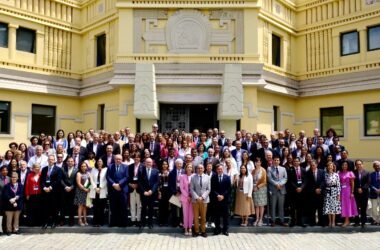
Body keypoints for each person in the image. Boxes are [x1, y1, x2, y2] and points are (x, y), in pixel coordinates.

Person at [106, 154, 129, 227]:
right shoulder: (110, 166)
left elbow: (126, 177)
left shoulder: (125, 167)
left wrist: (119, 184)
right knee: (113, 207)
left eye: (119, 159)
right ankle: (113, 222)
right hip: (113, 190)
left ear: (121, 159)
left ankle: (123, 223)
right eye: (116, 159)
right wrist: (113, 184)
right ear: (114, 159)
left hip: (122, 189)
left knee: (123, 207)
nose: (118, 160)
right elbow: (108, 177)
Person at [40, 155, 62, 229]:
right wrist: (44, 187)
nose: (50, 161)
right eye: (49, 159)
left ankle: (54, 222)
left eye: (52, 160)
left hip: (54, 191)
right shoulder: (44, 169)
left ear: (54, 161)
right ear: (47, 160)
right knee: (45, 207)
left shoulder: (58, 169)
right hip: (45, 191)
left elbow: (58, 180)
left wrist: (50, 187)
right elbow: (42, 180)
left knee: (54, 208)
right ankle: (45, 222)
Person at [138, 158, 159, 229]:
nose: (148, 164)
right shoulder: (141, 170)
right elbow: (139, 182)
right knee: (143, 208)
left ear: (152, 163)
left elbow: (157, 182)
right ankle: (142, 223)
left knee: (151, 209)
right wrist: (144, 191)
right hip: (144, 193)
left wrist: (152, 191)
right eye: (147, 162)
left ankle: (150, 223)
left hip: (152, 193)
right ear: (145, 163)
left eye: (150, 162)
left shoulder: (156, 171)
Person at [190, 164, 211, 237]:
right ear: (196, 169)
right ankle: (196, 231)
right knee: (195, 217)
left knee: (203, 216)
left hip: (204, 200)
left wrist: (202, 197)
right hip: (195, 200)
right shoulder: (193, 177)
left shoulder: (208, 177)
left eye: (201, 168)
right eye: (198, 168)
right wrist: (197, 197)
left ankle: (203, 231)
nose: (200, 169)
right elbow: (191, 189)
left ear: (204, 169)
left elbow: (208, 189)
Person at [267, 156, 288, 227]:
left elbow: (285, 178)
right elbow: (269, 178)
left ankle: (281, 221)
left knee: (281, 206)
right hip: (273, 190)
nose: (276, 161)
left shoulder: (283, 168)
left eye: (277, 160)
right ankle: (273, 221)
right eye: (275, 160)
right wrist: (276, 184)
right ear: (273, 161)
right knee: (273, 206)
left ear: (279, 161)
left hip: (281, 190)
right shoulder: (269, 169)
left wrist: (280, 184)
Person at [211, 164, 231, 236]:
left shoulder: (227, 177)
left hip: (225, 200)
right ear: (216, 170)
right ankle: (217, 229)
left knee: (226, 216)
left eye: (221, 169)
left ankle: (225, 230)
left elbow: (229, 189)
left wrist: (222, 196)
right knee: (217, 216)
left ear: (223, 169)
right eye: (218, 169)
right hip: (216, 200)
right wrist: (218, 195)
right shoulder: (213, 177)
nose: (220, 170)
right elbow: (212, 189)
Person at [305, 160, 326, 227]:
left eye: (313, 165)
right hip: (312, 193)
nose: (312, 167)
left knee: (320, 208)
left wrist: (320, 188)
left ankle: (321, 222)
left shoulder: (322, 171)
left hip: (320, 193)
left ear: (316, 165)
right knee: (312, 209)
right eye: (311, 165)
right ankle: (312, 222)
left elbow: (324, 181)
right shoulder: (308, 173)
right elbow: (307, 183)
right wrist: (314, 190)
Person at [287, 157, 307, 227]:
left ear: (299, 162)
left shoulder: (303, 170)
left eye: (297, 161)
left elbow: (305, 180)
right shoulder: (290, 170)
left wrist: (301, 187)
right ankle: (292, 222)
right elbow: (290, 181)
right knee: (293, 207)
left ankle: (300, 222)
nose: (296, 162)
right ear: (293, 162)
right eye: (294, 161)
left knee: (300, 207)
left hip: (301, 192)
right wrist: (296, 188)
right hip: (293, 191)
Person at [89, 158, 108, 227]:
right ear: (96, 162)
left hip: (102, 190)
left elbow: (106, 179)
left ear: (103, 162)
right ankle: (95, 222)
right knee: (95, 207)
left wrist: (100, 187)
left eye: (101, 161)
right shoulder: (93, 169)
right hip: (94, 190)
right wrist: (95, 187)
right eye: (98, 161)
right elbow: (91, 179)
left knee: (101, 207)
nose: (99, 162)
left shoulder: (106, 169)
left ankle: (101, 222)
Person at [338, 161, 358, 227]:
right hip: (341, 190)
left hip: (348, 190)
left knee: (347, 206)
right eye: (343, 165)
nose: (344, 166)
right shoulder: (339, 173)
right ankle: (346, 221)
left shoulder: (350, 173)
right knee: (342, 205)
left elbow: (352, 183)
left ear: (348, 166)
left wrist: (352, 192)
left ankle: (347, 221)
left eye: (345, 165)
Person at [60, 157, 77, 226]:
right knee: (62, 206)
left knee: (72, 206)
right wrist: (65, 187)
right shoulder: (62, 169)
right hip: (64, 190)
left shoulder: (77, 170)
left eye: (71, 161)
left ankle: (71, 221)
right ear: (66, 162)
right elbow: (60, 179)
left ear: (74, 162)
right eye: (69, 161)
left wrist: (72, 187)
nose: (70, 162)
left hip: (73, 191)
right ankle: (62, 220)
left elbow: (77, 181)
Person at [323, 162, 341, 228]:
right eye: (329, 166)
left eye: (331, 166)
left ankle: (333, 222)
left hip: (334, 192)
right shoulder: (325, 175)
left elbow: (338, 185)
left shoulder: (336, 175)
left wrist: (338, 194)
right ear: (327, 167)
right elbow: (324, 184)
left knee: (333, 207)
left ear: (333, 167)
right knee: (328, 208)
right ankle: (329, 222)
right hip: (327, 192)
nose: (330, 167)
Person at [353, 160, 369, 228]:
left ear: (362, 164)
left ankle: (363, 222)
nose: (358, 165)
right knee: (356, 208)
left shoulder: (367, 172)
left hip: (364, 193)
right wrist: (357, 189)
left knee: (363, 209)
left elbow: (368, 183)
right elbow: (352, 182)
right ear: (355, 165)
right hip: (356, 193)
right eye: (357, 164)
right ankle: (357, 222)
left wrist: (362, 189)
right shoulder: (353, 172)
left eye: (360, 164)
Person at [128, 152, 142, 226]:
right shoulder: (130, 166)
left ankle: (138, 220)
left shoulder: (143, 166)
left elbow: (143, 178)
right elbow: (127, 177)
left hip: (139, 188)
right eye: (135, 157)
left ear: (140, 158)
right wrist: (130, 184)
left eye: (138, 157)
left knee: (139, 205)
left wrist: (138, 185)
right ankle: (133, 219)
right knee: (132, 205)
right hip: (131, 188)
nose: (136, 158)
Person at [252, 158, 267, 227]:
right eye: (256, 162)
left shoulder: (263, 170)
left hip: (261, 189)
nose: (257, 163)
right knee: (256, 205)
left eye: (259, 162)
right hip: (254, 189)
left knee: (261, 205)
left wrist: (257, 187)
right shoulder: (253, 170)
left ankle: (261, 219)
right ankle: (257, 219)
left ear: (260, 163)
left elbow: (264, 181)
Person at [74, 162, 90, 226]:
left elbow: (90, 182)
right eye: (82, 166)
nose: (83, 167)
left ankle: (85, 219)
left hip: (86, 191)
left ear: (86, 167)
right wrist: (84, 189)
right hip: (80, 191)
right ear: (80, 167)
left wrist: (88, 188)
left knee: (85, 206)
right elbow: (78, 183)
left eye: (85, 166)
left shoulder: (88, 173)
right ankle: (80, 220)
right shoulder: (78, 173)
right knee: (80, 206)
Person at [180, 163, 194, 236]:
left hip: (192, 198)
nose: (189, 168)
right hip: (185, 198)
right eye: (188, 167)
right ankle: (185, 228)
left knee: (191, 214)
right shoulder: (182, 176)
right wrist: (187, 196)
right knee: (185, 214)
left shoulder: (194, 176)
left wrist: (191, 196)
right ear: (186, 168)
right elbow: (181, 188)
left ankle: (190, 227)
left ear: (192, 168)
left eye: (190, 167)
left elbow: (195, 187)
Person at [158, 161, 170, 226]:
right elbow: (158, 183)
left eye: (166, 164)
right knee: (161, 207)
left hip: (167, 192)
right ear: (162, 165)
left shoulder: (169, 173)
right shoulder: (159, 172)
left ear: (167, 165)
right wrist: (159, 192)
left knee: (166, 207)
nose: (165, 165)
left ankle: (166, 221)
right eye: (163, 164)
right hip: (161, 192)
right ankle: (161, 221)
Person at [369, 161, 380, 225]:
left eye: (378, 165)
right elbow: (369, 184)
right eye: (376, 166)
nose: (377, 167)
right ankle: (375, 220)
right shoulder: (371, 174)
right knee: (374, 209)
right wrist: (375, 189)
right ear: (373, 167)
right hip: (373, 194)